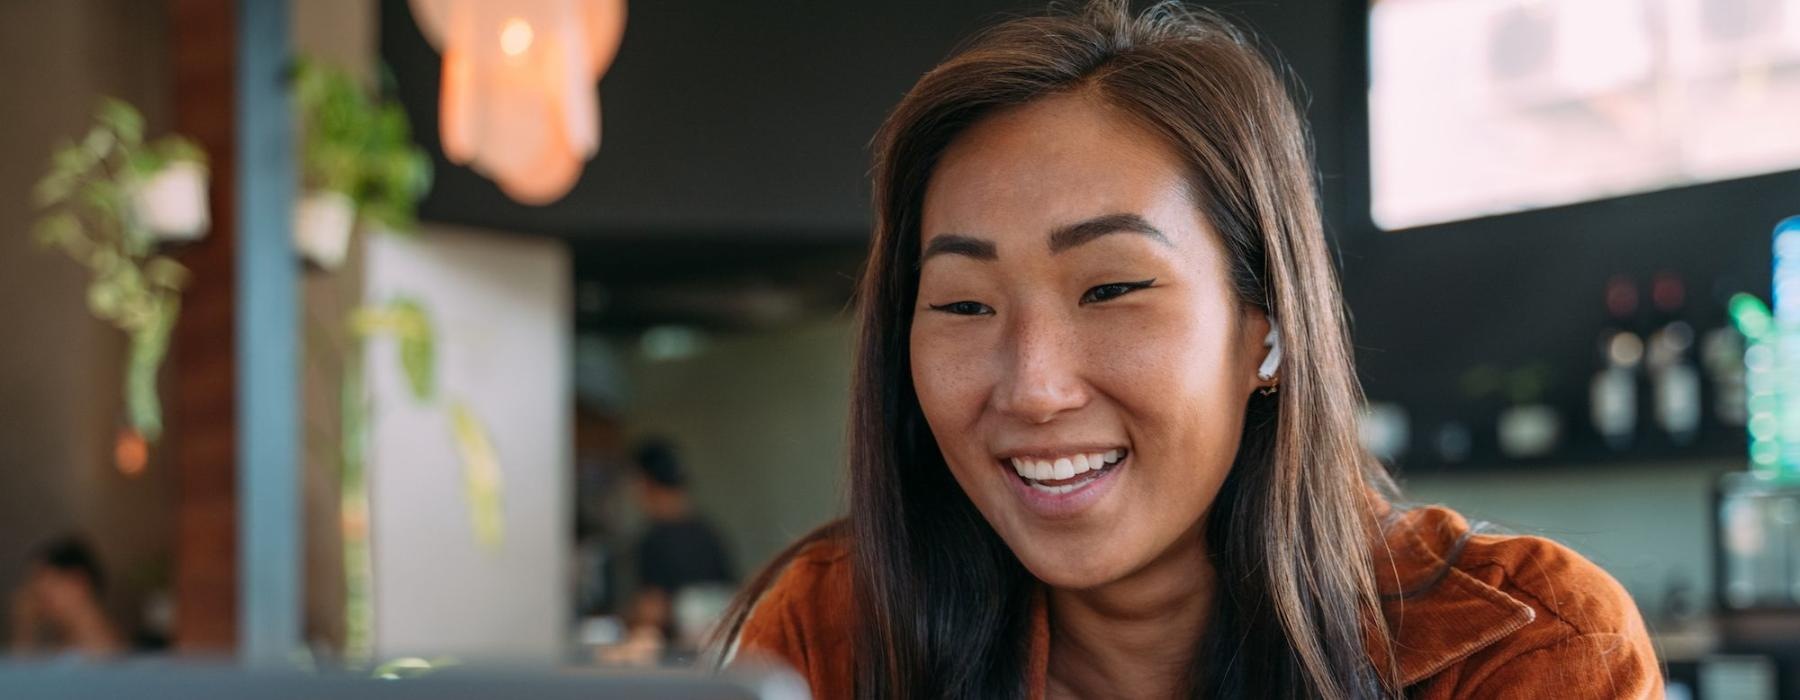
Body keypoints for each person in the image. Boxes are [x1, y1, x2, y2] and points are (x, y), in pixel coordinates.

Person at [717, 2, 1661, 698]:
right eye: (964, 304)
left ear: (1269, 327)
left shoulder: (1528, 648)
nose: (1035, 387)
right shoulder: (829, 634)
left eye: (1113, 289)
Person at [624, 438, 735, 656]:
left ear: (644, 482)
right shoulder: (710, 533)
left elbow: (653, 610)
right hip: (716, 658)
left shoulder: (655, 539)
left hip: (676, 661)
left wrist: (625, 620)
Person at [9, 536, 123, 657]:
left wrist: (24, 632)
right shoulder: (59, 651)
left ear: (78, 582)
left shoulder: (108, 652)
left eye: (45, 595)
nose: (38, 605)